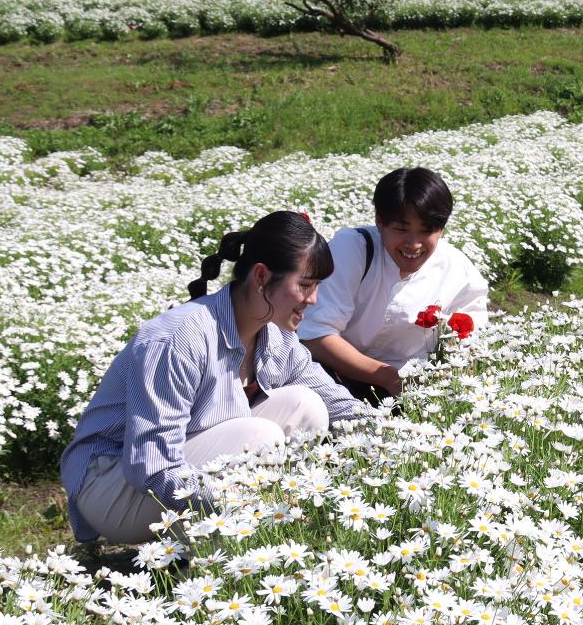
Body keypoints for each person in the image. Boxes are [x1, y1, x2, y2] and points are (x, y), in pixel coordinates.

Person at [61, 211, 362, 546]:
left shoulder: (276, 335)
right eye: (305, 285)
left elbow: (336, 402)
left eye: (317, 286)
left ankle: (244, 536)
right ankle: (230, 544)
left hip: (183, 469)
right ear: (261, 276)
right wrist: (248, 507)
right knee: (261, 435)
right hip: (115, 487)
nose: (314, 299)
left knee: (307, 406)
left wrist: (395, 443)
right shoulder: (179, 338)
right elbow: (150, 464)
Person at [299, 166, 488, 401]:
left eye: (426, 231)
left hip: (412, 386)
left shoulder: (458, 271)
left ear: (441, 230)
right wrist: (389, 378)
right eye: (401, 229)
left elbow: (474, 339)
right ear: (380, 222)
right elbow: (315, 335)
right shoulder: (353, 249)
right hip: (331, 375)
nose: (414, 244)